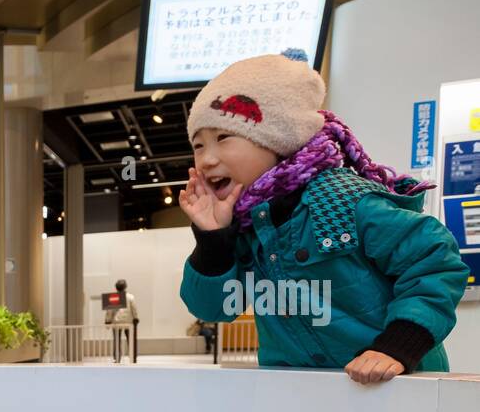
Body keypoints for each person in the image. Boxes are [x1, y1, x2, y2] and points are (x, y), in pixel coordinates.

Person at [178, 49, 468, 384]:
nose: (207, 160)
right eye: (198, 145)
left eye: (223, 138)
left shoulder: (343, 200)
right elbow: (213, 309)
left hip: (394, 390)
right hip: (308, 399)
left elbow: (434, 261)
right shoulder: (245, 227)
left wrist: (398, 345)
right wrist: (213, 239)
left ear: (278, 137)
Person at [105, 278, 138, 361]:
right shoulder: (131, 297)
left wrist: (107, 321)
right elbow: (134, 309)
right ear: (125, 287)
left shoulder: (114, 297)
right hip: (128, 322)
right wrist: (136, 318)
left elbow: (109, 311)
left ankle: (117, 358)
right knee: (131, 340)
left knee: (117, 340)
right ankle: (133, 358)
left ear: (116, 287)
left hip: (117, 321)